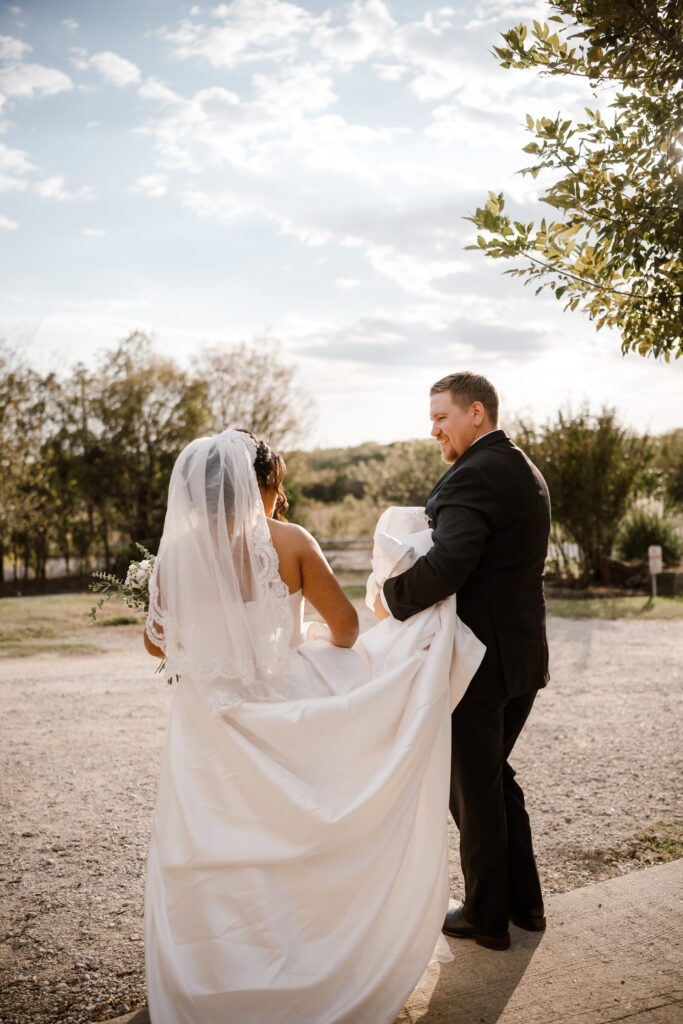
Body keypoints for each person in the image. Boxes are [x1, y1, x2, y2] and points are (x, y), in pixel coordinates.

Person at [143, 427, 485, 1024]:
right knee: (296, 837)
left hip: (210, 722)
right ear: (265, 485)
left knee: (222, 844)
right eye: (277, 485)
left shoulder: (176, 555)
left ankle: (223, 975)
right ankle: (308, 959)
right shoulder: (291, 541)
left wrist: (214, 653)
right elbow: (348, 629)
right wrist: (303, 649)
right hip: (285, 701)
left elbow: (156, 645)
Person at [376, 371, 551, 952]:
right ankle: (525, 904)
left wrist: (391, 598)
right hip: (522, 658)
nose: (433, 430)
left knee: (471, 788)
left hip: (478, 664)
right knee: (493, 778)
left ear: (477, 412)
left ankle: (487, 918)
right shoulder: (525, 469)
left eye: (441, 417)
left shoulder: (471, 476)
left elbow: (451, 563)